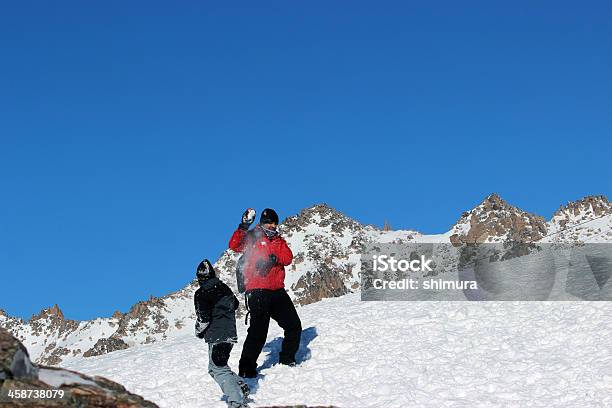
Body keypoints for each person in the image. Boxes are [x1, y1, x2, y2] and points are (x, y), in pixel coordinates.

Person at [229, 208, 302, 378]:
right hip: (257, 290)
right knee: (258, 332)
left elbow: (288, 258)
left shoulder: (279, 240)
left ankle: (287, 359)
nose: (272, 226)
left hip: (277, 290)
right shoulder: (253, 236)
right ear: (262, 223)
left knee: (293, 326)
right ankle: (246, 369)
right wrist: (243, 226)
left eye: (275, 223)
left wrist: (274, 258)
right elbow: (234, 245)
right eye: (269, 222)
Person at [194, 259, 249, 408]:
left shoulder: (201, 293)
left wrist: (198, 331)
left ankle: (237, 403)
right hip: (229, 334)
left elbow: (203, 319)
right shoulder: (223, 287)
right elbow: (235, 304)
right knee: (215, 368)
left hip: (216, 335)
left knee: (218, 369)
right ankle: (240, 385)